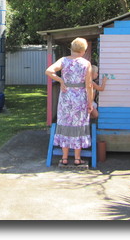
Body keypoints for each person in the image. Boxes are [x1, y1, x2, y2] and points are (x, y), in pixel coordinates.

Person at [45, 37, 94, 166]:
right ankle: (77, 159)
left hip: (66, 98)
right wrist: (90, 103)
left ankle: (64, 158)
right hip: (80, 99)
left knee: (65, 124)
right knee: (79, 125)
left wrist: (61, 80)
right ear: (83, 50)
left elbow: (49, 71)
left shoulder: (63, 60)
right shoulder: (86, 63)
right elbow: (89, 85)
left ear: (71, 48)